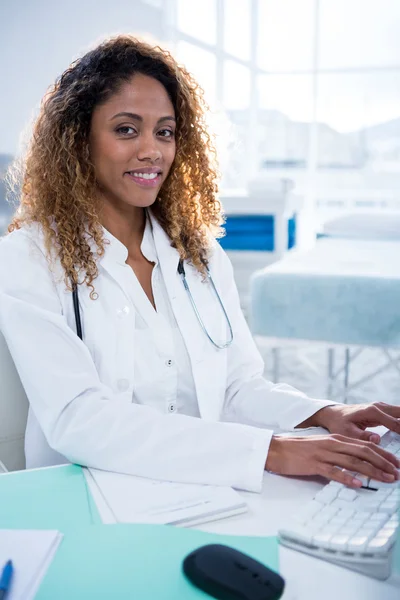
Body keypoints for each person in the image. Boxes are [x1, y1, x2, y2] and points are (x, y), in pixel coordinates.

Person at [0, 35, 399, 493]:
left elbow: (236, 387)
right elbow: (79, 418)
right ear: (78, 140)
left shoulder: (199, 254)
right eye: (126, 129)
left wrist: (321, 414)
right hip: (83, 497)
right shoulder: (28, 257)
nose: (152, 150)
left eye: (165, 131)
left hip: (198, 492)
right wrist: (270, 450)